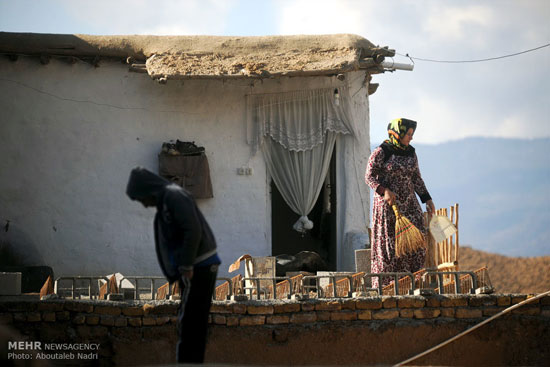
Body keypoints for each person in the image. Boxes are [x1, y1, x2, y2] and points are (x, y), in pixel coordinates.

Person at [126, 167, 220, 364]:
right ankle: (193, 362)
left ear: (147, 191)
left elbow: (192, 229)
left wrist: (186, 266)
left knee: (189, 323)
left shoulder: (173, 196)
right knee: (194, 322)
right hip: (199, 266)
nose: (143, 205)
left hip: (198, 267)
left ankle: (188, 363)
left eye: (141, 199)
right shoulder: (168, 199)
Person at [365, 118, 435, 288]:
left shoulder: (411, 152)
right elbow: (369, 176)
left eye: (412, 134)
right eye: (408, 134)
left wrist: (427, 198)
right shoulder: (382, 151)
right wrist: (384, 191)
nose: (411, 138)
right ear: (398, 133)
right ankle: (388, 285)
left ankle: (413, 282)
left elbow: (416, 178)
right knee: (390, 244)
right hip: (389, 206)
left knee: (417, 242)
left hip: (409, 205)